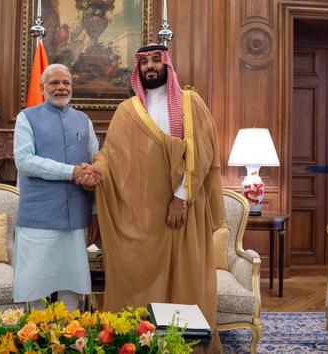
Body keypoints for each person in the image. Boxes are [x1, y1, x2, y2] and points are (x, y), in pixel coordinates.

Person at [88, 44, 225, 350]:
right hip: (144, 214)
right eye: (145, 62)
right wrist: (95, 170)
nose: (150, 66)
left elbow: (201, 153)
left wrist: (180, 197)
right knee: (138, 277)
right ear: (138, 70)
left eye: (156, 61)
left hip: (184, 210)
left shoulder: (191, 103)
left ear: (167, 65)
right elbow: (111, 156)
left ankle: (184, 345)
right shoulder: (128, 111)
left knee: (186, 279)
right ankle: (138, 342)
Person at [12, 63, 100, 311]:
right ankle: (36, 344)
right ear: (42, 88)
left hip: (76, 219)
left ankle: (70, 340)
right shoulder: (26, 118)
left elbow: (95, 165)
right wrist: (71, 172)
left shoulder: (83, 120)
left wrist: (94, 213)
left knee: (71, 286)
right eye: (54, 83)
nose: (61, 87)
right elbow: (25, 161)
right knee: (35, 286)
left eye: (66, 83)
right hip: (38, 218)